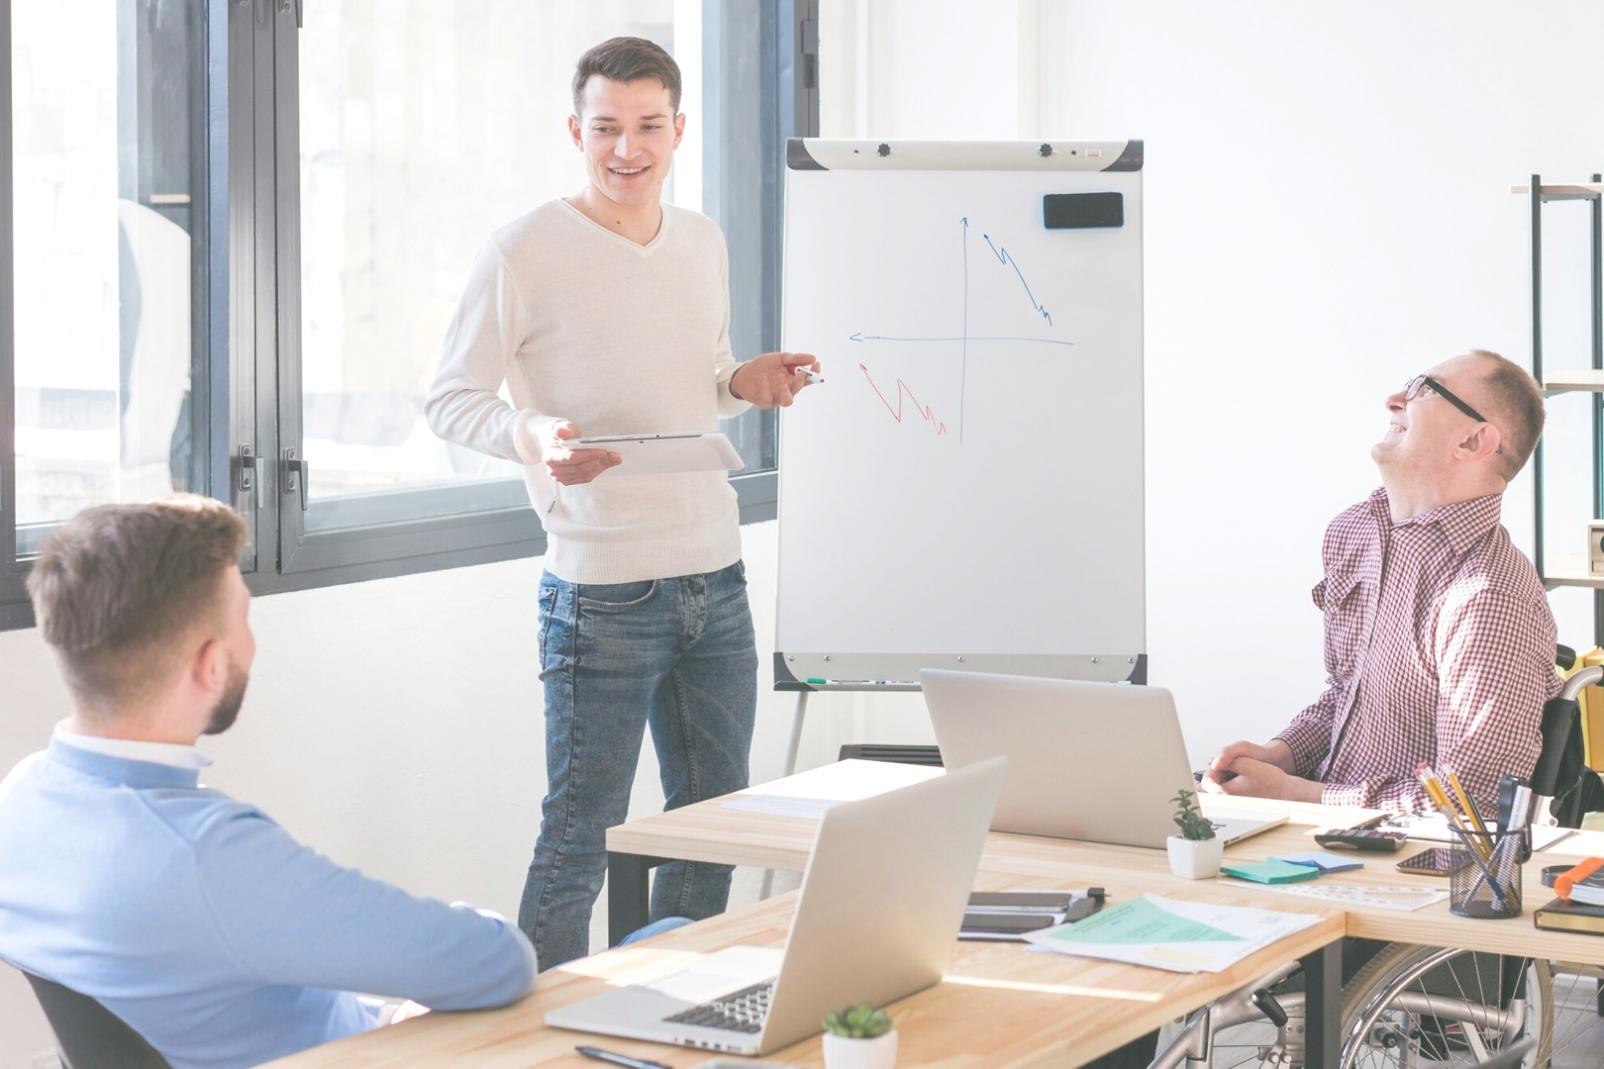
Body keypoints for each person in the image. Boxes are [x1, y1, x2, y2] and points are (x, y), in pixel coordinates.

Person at [425, 36, 820, 969]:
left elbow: (699, 380)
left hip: (712, 577)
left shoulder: (702, 240)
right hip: (601, 592)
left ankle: (678, 1004)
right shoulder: (522, 250)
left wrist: (745, 380)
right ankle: (535, 1035)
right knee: (581, 830)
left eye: (648, 127)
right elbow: (450, 397)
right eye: (606, 128)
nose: (626, 149)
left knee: (714, 821)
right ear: (576, 130)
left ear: (678, 129)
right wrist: (534, 436)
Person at [0, 497, 537, 1068]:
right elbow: (498, 961)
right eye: (244, 622)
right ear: (210, 665)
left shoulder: (25, 794)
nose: (252, 646)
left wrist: (376, 1016)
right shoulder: (207, 855)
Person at [1203, 350, 1560, 815]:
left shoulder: (1487, 596)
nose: (1394, 399)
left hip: (1410, 871)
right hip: (1321, 839)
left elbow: (1471, 801)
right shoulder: (1355, 532)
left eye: (1423, 390)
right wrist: (1281, 754)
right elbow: (1345, 695)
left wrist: (1298, 794)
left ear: (1474, 441)